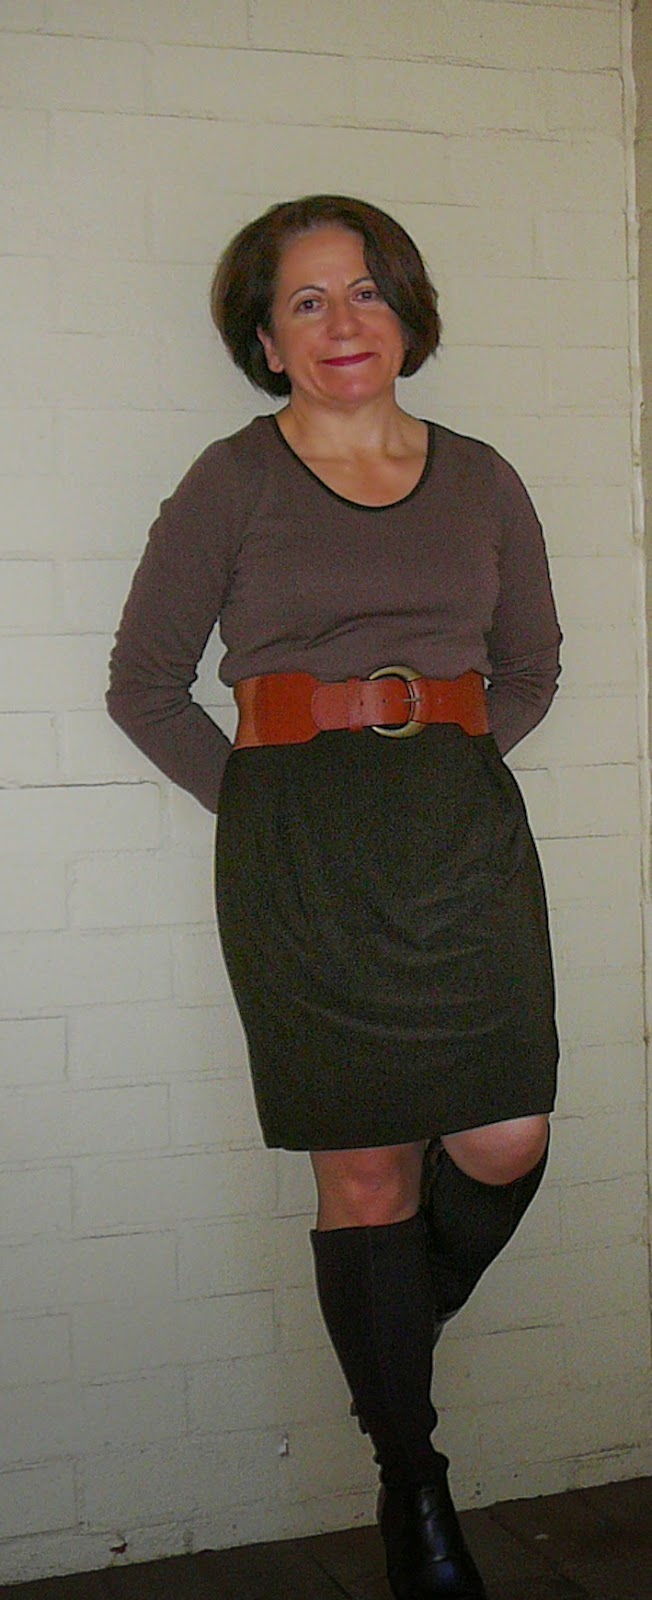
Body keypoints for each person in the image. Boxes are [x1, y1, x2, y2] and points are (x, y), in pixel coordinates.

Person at [107, 194, 561, 1600]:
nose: (341, 320)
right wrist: (267, 808)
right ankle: (411, 1478)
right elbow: (143, 687)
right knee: (363, 1174)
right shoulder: (230, 481)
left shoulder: (483, 478)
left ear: (407, 312)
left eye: (365, 290)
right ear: (265, 339)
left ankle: (386, 1327)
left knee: (506, 1136)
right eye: (305, 300)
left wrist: (448, 769)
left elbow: (532, 667)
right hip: (300, 855)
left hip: (461, 840)